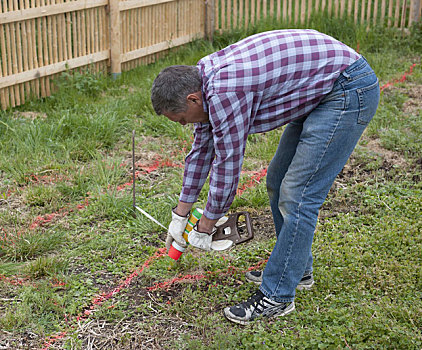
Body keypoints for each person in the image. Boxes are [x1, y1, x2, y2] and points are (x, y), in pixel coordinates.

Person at [150, 29, 380, 323]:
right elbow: (201, 151)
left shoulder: (223, 92)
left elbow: (228, 163)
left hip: (346, 89)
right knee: (277, 181)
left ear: (193, 99)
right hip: (321, 84)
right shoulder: (204, 80)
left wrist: (206, 225)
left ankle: (278, 296)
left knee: (298, 195)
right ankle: (296, 269)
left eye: (181, 119)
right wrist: (180, 215)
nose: (184, 125)